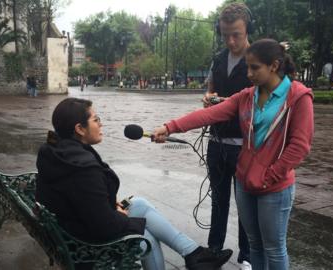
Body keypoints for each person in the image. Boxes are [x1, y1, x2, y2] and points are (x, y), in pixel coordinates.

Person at [153, 39, 314, 270]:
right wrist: (170, 127)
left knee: (275, 248)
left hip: (275, 187)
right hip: (245, 183)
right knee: (256, 245)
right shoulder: (247, 96)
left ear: (274, 66)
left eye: (255, 67)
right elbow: (209, 115)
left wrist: (269, 176)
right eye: (247, 67)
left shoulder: (298, 97)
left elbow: (300, 146)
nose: (249, 73)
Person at [35, 97, 233, 270]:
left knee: (139, 203)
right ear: (79, 129)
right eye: (96, 120)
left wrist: (112, 207)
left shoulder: (56, 150)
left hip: (68, 229)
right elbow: (104, 225)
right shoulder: (82, 169)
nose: (101, 124)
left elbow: (81, 198)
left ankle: (194, 253)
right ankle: (195, 257)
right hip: (83, 243)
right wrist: (132, 221)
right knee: (145, 236)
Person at [202, 3, 253, 269]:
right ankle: (214, 248)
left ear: (247, 30)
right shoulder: (219, 59)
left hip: (246, 146)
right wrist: (209, 99)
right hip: (217, 143)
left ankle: (246, 256)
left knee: (245, 205)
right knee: (218, 200)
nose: (231, 40)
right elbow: (209, 90)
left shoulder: (258, 60)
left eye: (236, 34)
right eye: (225, 35)